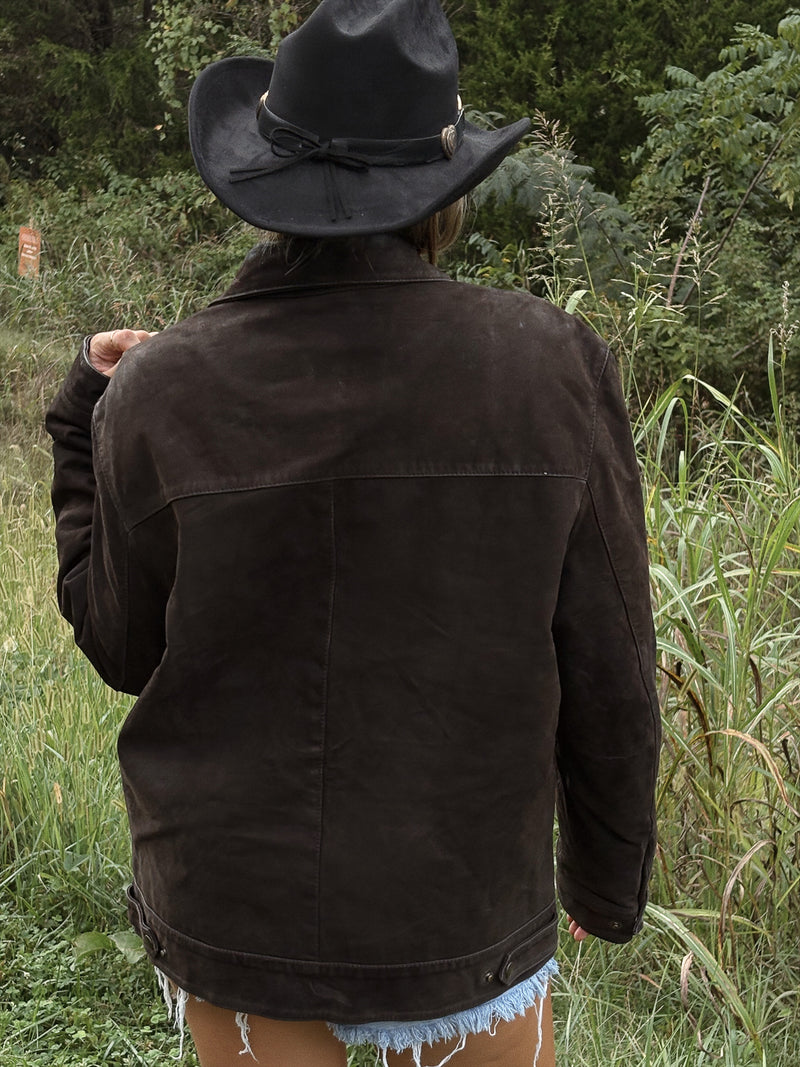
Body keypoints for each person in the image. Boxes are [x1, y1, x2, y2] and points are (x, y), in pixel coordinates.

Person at [46, 2, 660, 1065]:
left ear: (265, 178)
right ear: (440, 189)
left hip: (236, 911)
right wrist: (603, 881)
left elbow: (121, 645)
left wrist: (78, 418)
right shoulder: (546, 363)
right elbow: (609, 654)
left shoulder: (161, 386)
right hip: (460, 909)